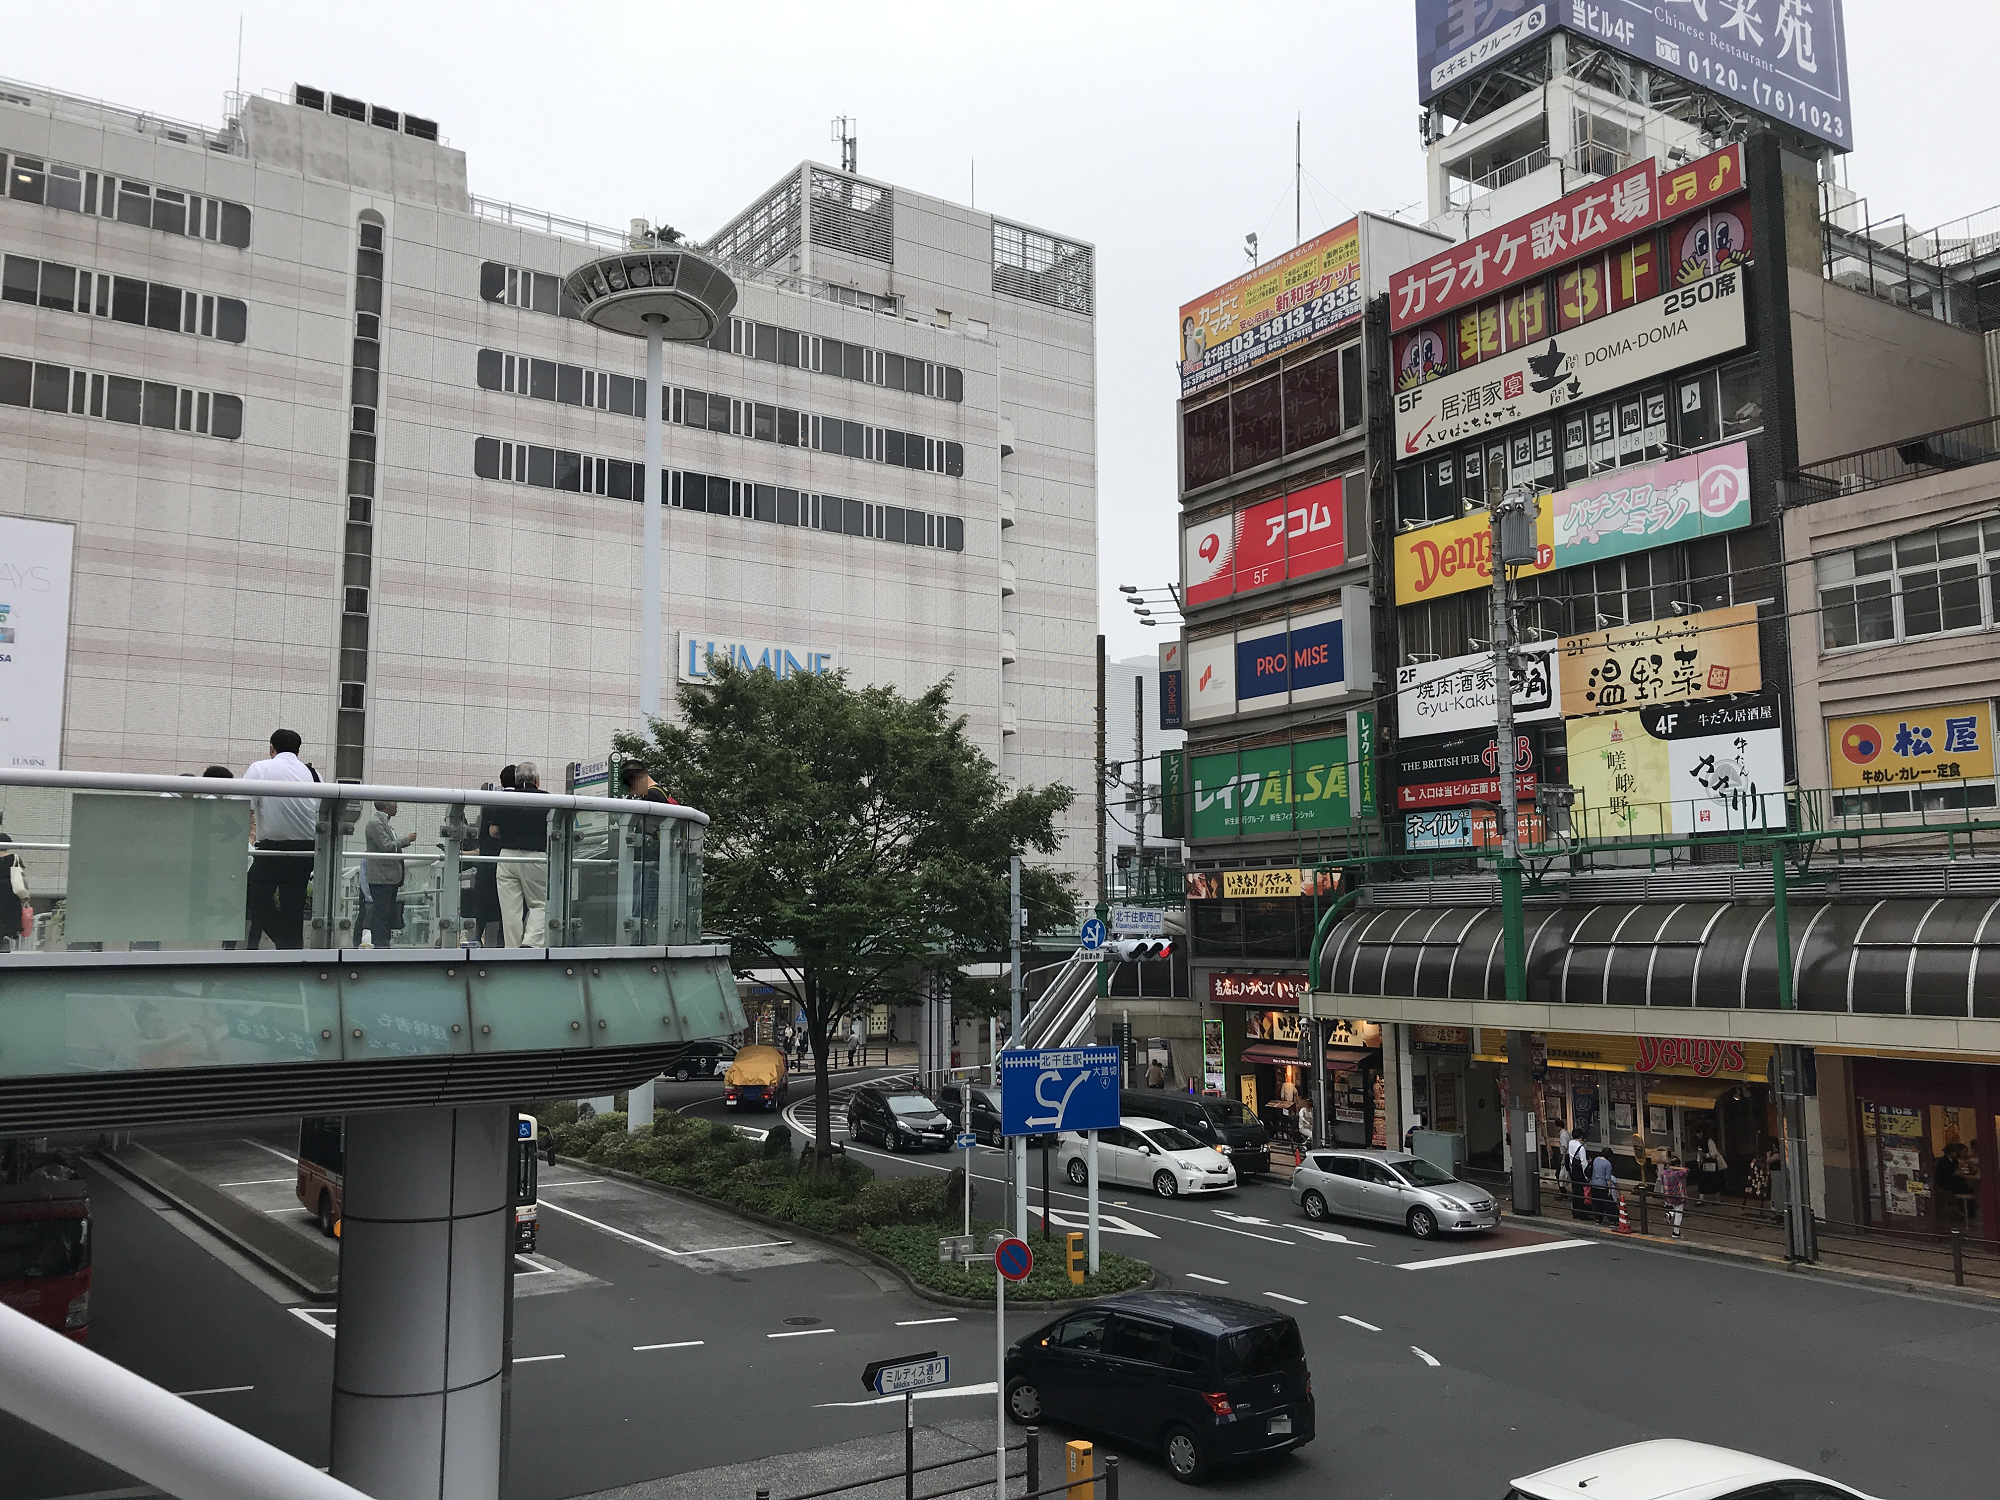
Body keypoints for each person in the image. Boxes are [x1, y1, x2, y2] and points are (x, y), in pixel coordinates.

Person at [244, 730, 319, 949]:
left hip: (272, 849)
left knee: (254, 896)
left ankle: (284, 942)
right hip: (307, 851)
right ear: (298, 750)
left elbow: (240, 804)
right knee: (293, 905)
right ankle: (292, 950)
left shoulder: (260, 768)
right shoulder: (313, 775)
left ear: (271, 748)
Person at [489, 760, 548, 947]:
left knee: (510, 909)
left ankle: (512, 949)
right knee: (540, 903)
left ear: (515, 780)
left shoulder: (506, 800)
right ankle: (531, 943)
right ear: (537, 780)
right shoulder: (548, 800)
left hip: (507, 856)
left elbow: (493, 831)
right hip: (536, 856)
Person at [468, 766, 514, 947]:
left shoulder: (490, 803)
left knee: (483, 906)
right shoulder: (520, 801)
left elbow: (484, 836)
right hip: (508, 860)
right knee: (508, 905)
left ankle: (475, 940)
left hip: (487, 862)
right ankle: (504, 945)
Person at [362, 801, 417, 948]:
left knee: (386, 912)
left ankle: (383, 943)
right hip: (381, 876)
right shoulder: (375, 823)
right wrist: (406, 840)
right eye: (394, 803)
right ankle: (380, 944)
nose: (397, 806)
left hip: (389, 876)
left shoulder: (382, 822)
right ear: (386, 805)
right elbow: (386, 846)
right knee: (382, 912)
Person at [0, 820, 24, 952]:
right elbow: (20, 876)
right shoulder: (14, 858)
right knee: (7, 917)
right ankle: (5, 941)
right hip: (10, 892)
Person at [1659, 1155, 1689, 1238]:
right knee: (1679, 1212)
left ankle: (1670, 1214)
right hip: (1678, 1195)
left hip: (1668, 1195)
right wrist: (1677, 1168)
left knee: (1675, 1209)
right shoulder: (1677, 1174)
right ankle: (1676, 1232)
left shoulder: (1664, 1173)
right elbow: (1687, 1170)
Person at [1565, 1130, 1591, 1218]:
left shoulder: (1571, 1143)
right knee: (1582, 1193)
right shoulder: (1581, 1147)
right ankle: (1583, 1214)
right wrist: (1586, 1175)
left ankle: (1575, 1213)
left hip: (1573, 1171)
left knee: (1575, 1192)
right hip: (1580, 1172)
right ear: (1580, 1137)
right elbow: (1584, 1162)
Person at [1589, 1148, 1617, 1225]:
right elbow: (1608, 1178)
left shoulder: (1596, 1160)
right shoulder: (1608, 1164)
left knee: (1596, 1203)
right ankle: (1612, 1220)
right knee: (1607, 1204)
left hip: (1594, 1184)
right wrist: (1609, 1188)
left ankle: (1598, 1219)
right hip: (1602, 1185)